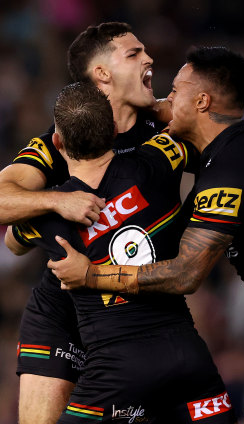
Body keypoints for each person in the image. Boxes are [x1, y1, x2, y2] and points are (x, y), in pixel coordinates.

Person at [48, 47, 244, 424]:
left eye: (174, 91)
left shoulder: (229, 171)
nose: (166, 100)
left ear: (202, 101)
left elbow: (186, 275)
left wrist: (92, 276)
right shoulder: (230, 150)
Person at [6, 81, 238, 423]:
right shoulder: (160, 159)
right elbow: (214, 137)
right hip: (187, 356)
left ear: (57, 143)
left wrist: (52, 203)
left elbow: (13, 240)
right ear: (115, 130)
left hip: (116, 372)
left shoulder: (47, 218)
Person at [1, 22, 174, 424]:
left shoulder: (168, 123)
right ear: (102, 74)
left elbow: (227, 137)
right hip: (64, 312)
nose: (149, 59)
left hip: (140, 311)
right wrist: (58, 201)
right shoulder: (59, 141)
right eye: (134, 54)